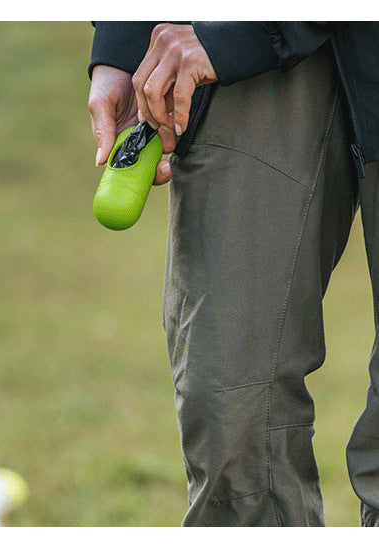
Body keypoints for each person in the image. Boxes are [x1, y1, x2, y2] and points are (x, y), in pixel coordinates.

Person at [87, 22, 379, 526]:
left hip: (237, 34)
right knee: (227, 402)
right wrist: (125, 37)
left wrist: (246, 32)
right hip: (230, 50)